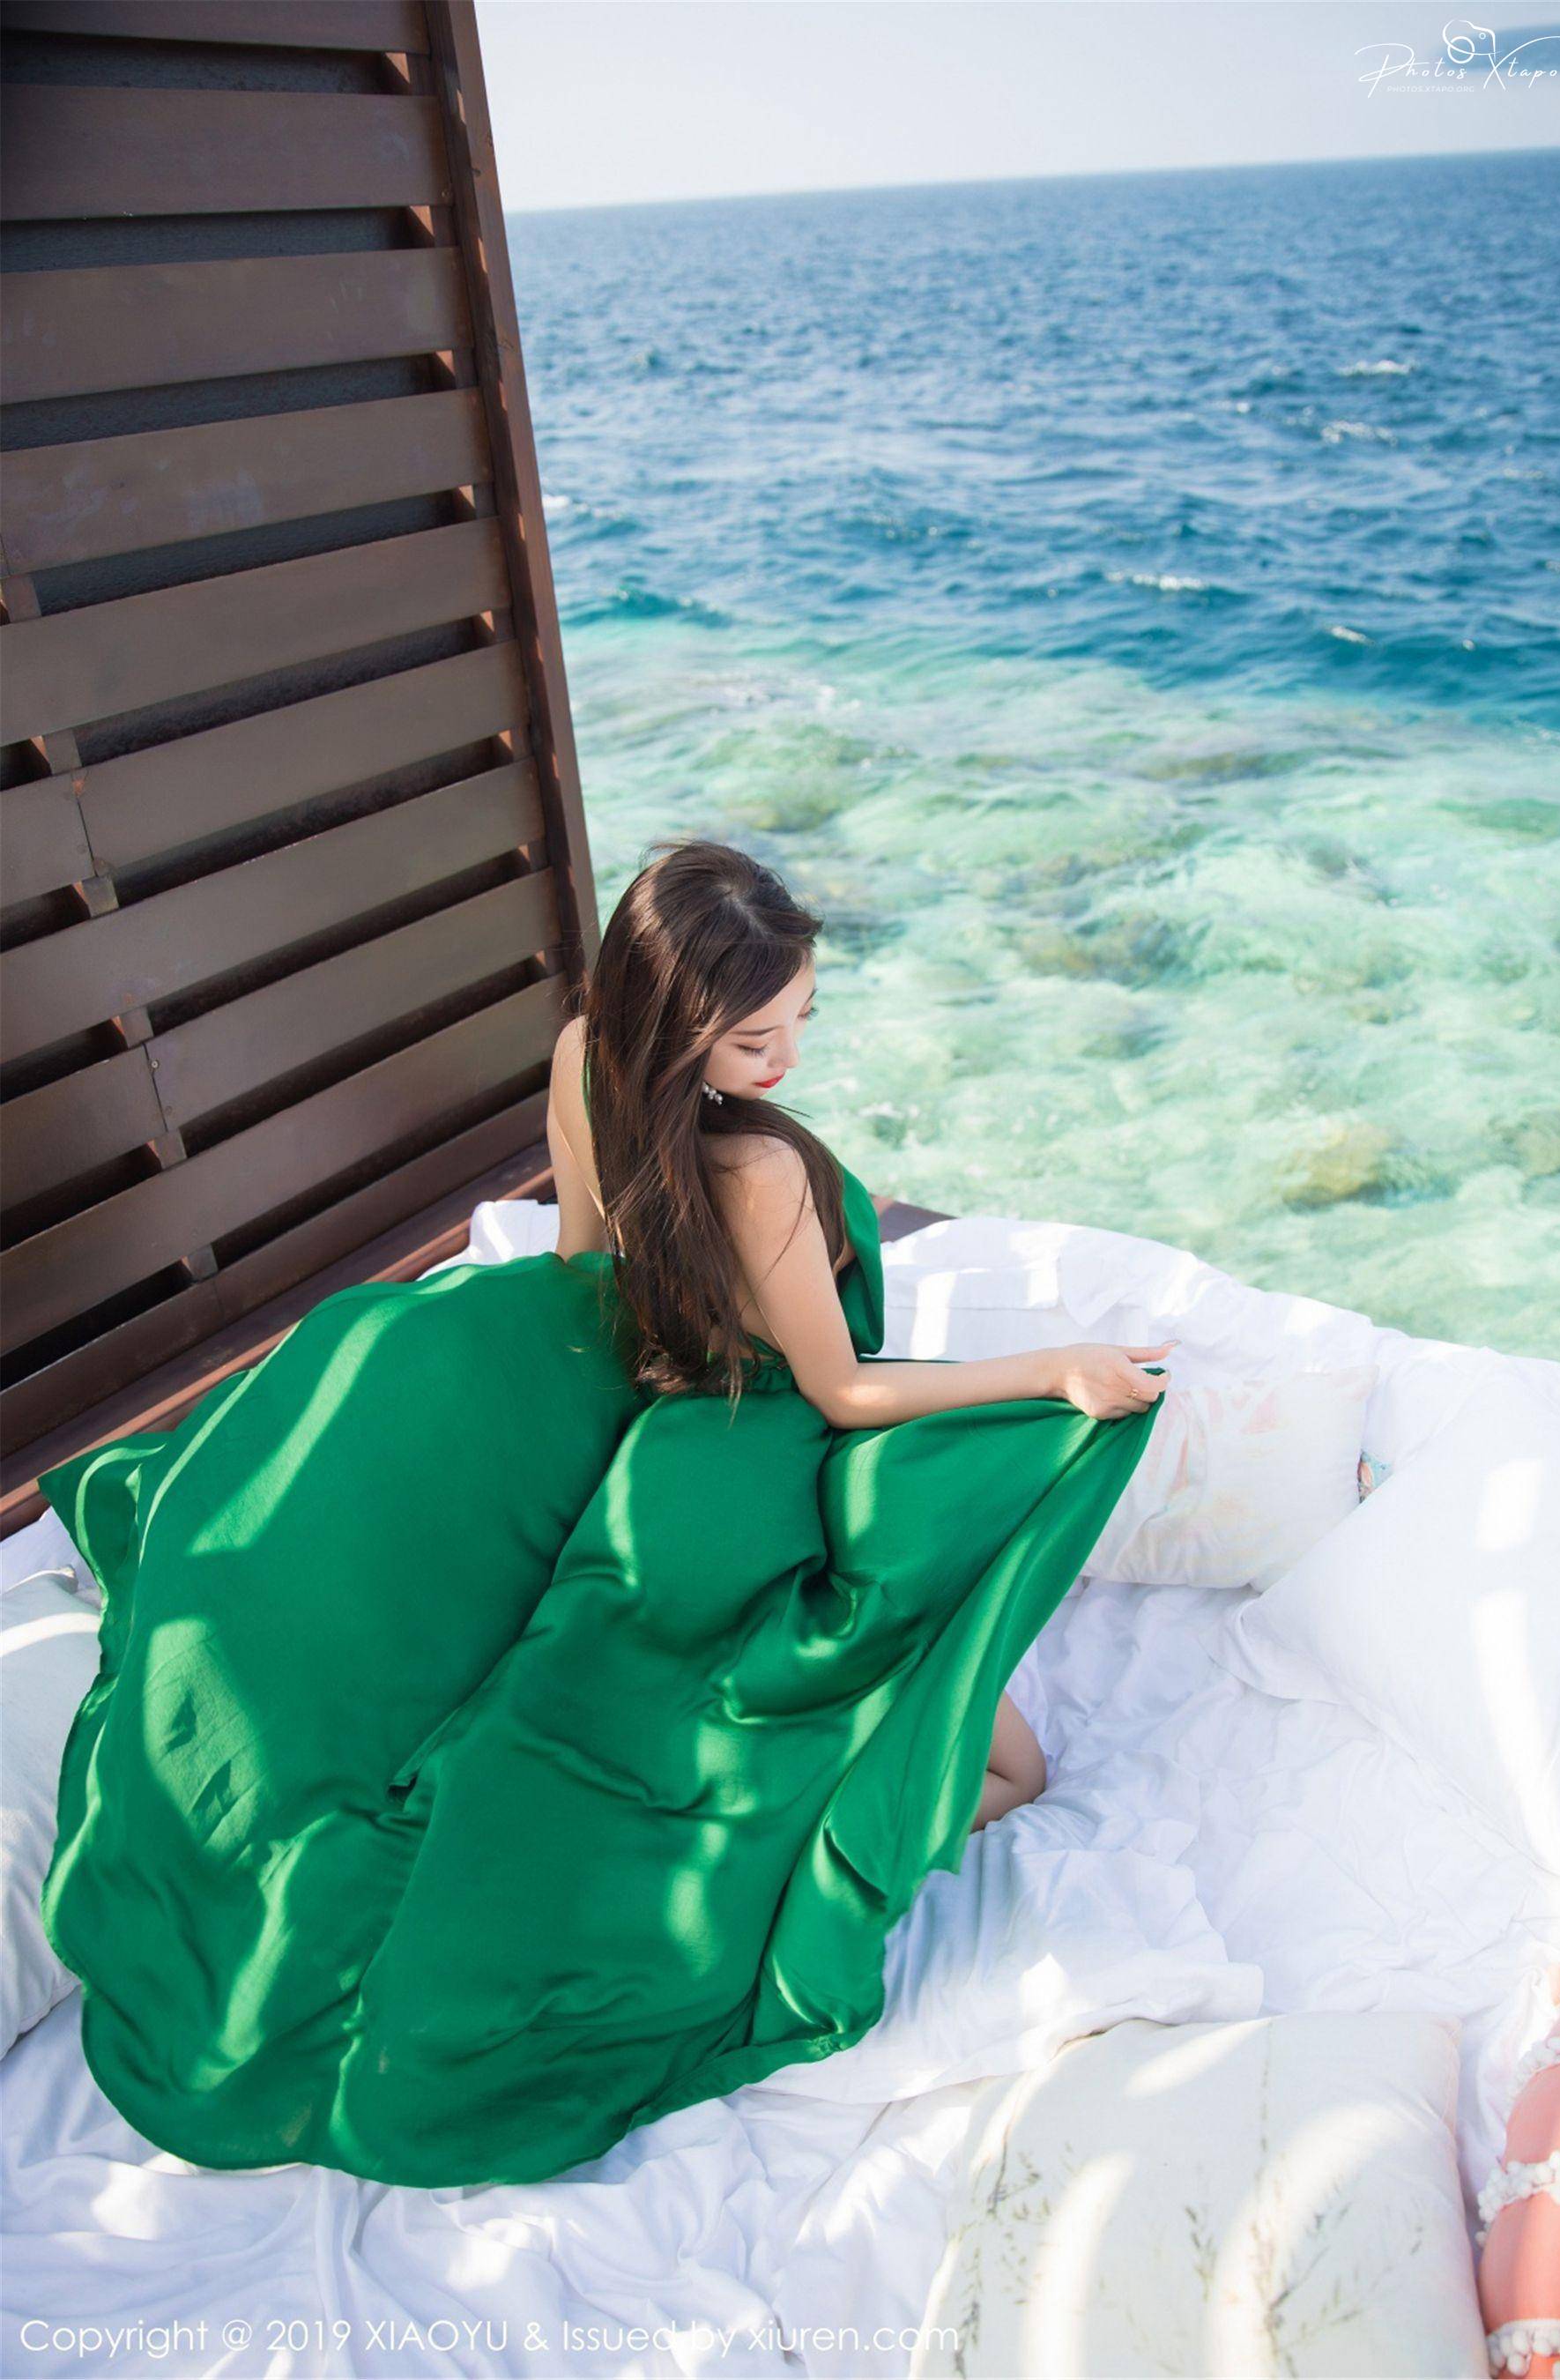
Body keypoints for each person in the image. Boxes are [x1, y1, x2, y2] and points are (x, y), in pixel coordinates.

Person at [37, 837, 1171, 2190]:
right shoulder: (759, 1178)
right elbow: (847, 1390)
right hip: (745, 1453)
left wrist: (571, 1419)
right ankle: (780, 1841)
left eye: (803, 1020)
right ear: (679, 1020)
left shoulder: (586, 1053)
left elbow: (581, 1257)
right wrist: (1053, 1366)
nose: (788, 1063)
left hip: (632, 1390)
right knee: (1014, 1774)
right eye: (758, 1038)